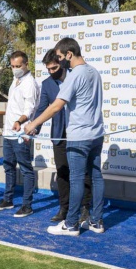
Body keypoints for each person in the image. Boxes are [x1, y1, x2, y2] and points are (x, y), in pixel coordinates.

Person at [25, 37, 105, 236]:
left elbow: (57, 105)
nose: (60, 61)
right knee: (96, 177)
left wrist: (33, 123)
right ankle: (96, 222)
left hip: (79, 136)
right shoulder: (94, 71)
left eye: (60, 57)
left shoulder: (74, 74)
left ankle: (71, 224)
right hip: (97, 134)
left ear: (69, 54)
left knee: (76, 179)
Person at [33, 49, 92, 222]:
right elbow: (43, 108)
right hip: (59, 135)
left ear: (61, 63)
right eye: (48, 69)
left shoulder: (76, 76)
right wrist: (35, 127)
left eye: (54, 68)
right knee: (62, 172)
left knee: (83, 172)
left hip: (79, 133)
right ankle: (64, 208)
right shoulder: (47, 84)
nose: (52, 72)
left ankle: (85, 208)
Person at [0, 51, 40, 218]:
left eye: (18, 66)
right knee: (8, 166)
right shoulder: (15, 80)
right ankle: (8, 199)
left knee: (26, 169)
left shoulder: (30, 84)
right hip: (8, 133)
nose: (15, 69)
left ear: (26, 64)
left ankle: (27, 205)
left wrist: (20, 122)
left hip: (21, 133)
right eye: (12, 66)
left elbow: (30, 109)